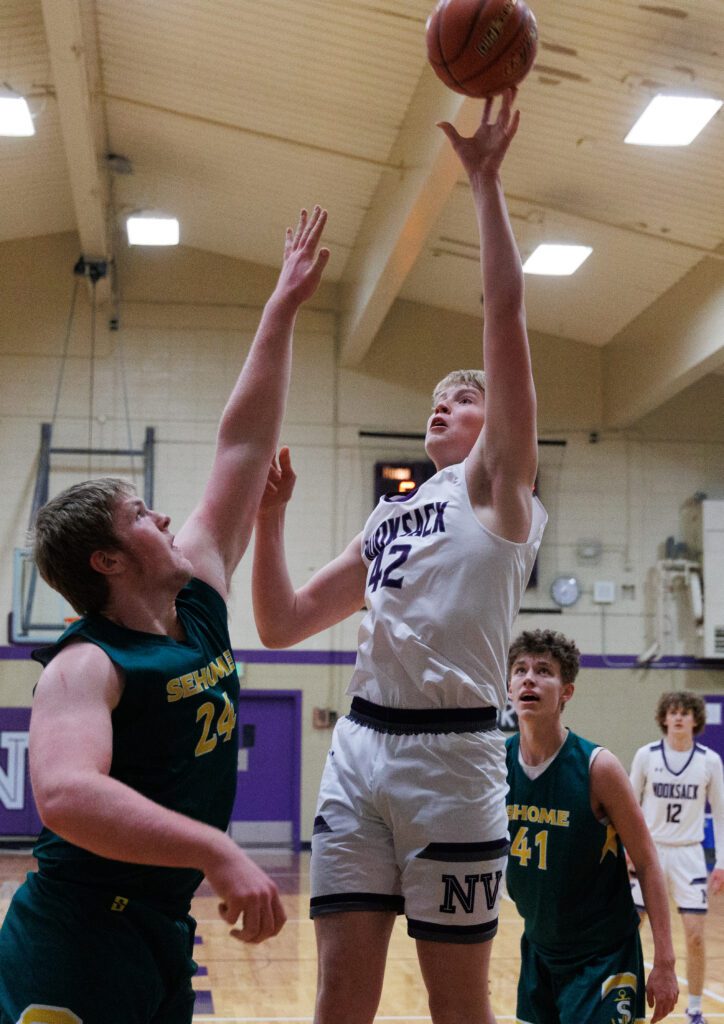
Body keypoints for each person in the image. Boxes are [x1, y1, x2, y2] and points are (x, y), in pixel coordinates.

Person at [252, 90, 546, 1024]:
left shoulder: (499, 490)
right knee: (340, 991)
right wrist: (270, 520)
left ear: (492, 421)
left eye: (461, 399)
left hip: (455, 762)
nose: (441, 406)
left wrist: (484, 183)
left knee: (459, 1005)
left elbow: (505, 313)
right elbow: (284, 624)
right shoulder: (390, 516)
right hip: (360, 750)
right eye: (435, 399)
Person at [0, 206, 330, 1024]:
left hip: (159, 931)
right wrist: (217, 848)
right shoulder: (86, 665)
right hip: (76, 936)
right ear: (108, 562)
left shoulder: (199, 594)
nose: (166, 521)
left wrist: (281, 309)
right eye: (143, 517)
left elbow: (243, 448)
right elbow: (68, 796)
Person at [505, 628, 679, 1024]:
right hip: (538, 949)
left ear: (566, 691)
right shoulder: (496, 764)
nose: (529, 678)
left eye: (544, 671)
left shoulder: (597, 767)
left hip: (602, 956)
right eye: (520, 669)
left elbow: (648, 862)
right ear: (509, 686)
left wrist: (665, 961)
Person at [630, 691, 724, 1024]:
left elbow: (722, 814)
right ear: (664, 718)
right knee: (629, 928)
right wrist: (628, 847)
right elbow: (628, 807)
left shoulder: (710, 761)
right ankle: (625, 999)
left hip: (689, 854)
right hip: (649, 850)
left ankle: (695, 1009)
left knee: (696, 935)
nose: (679, 717)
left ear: (696, 719)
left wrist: (722, 863)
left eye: (685, 712)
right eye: (673, 712)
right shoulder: (646, 755)